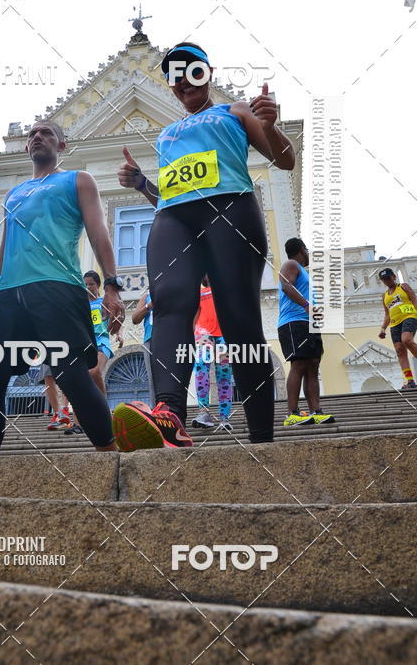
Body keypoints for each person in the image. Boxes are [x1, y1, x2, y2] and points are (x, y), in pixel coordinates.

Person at [113, 42, 295, 450]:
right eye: (175, 78)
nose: (183, 82)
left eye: (191, 71)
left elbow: (285, 161)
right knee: (171, 301)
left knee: (239, 321)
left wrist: (270, 125)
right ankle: (171, 414)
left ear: (207, 73)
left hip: (230, 209)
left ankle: (262, 434)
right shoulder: (166, 135)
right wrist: (141, 182)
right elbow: (171, 194)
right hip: (174, 219)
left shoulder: (235, 112)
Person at [0, 120, 124, 455]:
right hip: (6, 293)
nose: (37, 137)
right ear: (27, 147)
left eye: (47, 133)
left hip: (56, 288)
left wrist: (111, 285)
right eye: (32, 135)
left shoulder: (78, 180)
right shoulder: (13, 194)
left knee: (71, 374)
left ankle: (110, 453)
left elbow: (99, 233)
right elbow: (4, 249)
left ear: (61, 146)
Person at [278, 238, 334, 426]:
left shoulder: (304, 272)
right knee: (299, 364)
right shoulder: (291, 264)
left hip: (308, 322)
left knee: (313, 365)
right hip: (293, 322)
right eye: (307, 250)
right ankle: (292, 413)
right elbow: (286, 286)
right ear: (302, 249)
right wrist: (307, 305)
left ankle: (315, 411)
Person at [63, 270, 124, 437]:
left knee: (95, 372)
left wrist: (118, 334)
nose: (88, 287)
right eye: (86, 284)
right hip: (83, 344)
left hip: (102, 342)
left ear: (98, 286)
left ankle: (104, 410)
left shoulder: (103, 302)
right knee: (79, 381)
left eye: (91, 284)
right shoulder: (80, 305)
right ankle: (77, 424)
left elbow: (117, 319)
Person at [191, 278, 233, 431]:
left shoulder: (225, 288)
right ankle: (203, 412)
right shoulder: (199, 293)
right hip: (203, 333)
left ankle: (224, 417)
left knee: (224, 374)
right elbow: (194, 316)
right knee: (201, 366)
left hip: (223, 335)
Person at [378, 267, 417, 390]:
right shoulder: (385, 296)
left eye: (388, 278)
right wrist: (383, 328)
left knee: (407, 340)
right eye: (384, 279)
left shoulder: (403, 287)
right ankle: (410, 380)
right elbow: (387, 314)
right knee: (400, 350)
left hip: (409, 316)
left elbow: (414, 300)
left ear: (394, 277)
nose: (387, 281)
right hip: (395, 323)